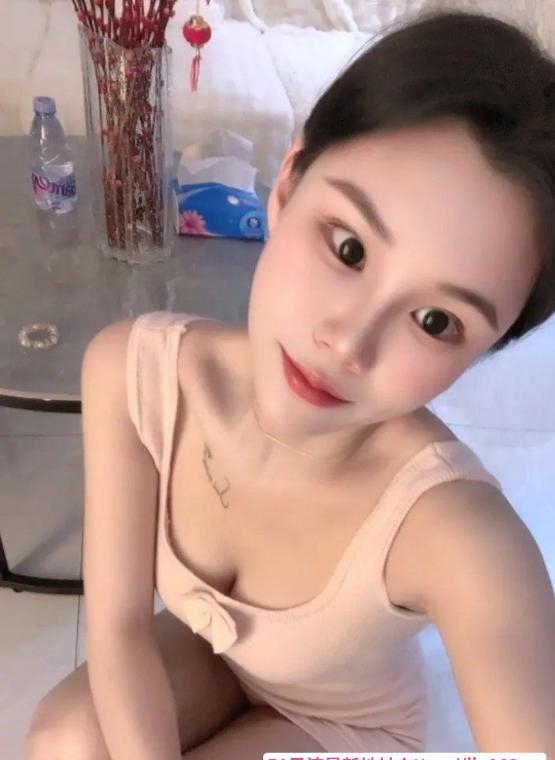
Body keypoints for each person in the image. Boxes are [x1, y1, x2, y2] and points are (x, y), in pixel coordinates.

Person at [25, 8, 555, 760]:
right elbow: (117, 631)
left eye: (435, 321)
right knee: (66, 741)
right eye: (348, 248)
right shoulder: (135, 372)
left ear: (481, 352)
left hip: (348, 726)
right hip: (212, 660)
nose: (347, 342)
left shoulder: (461, 536)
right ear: (287, 182)